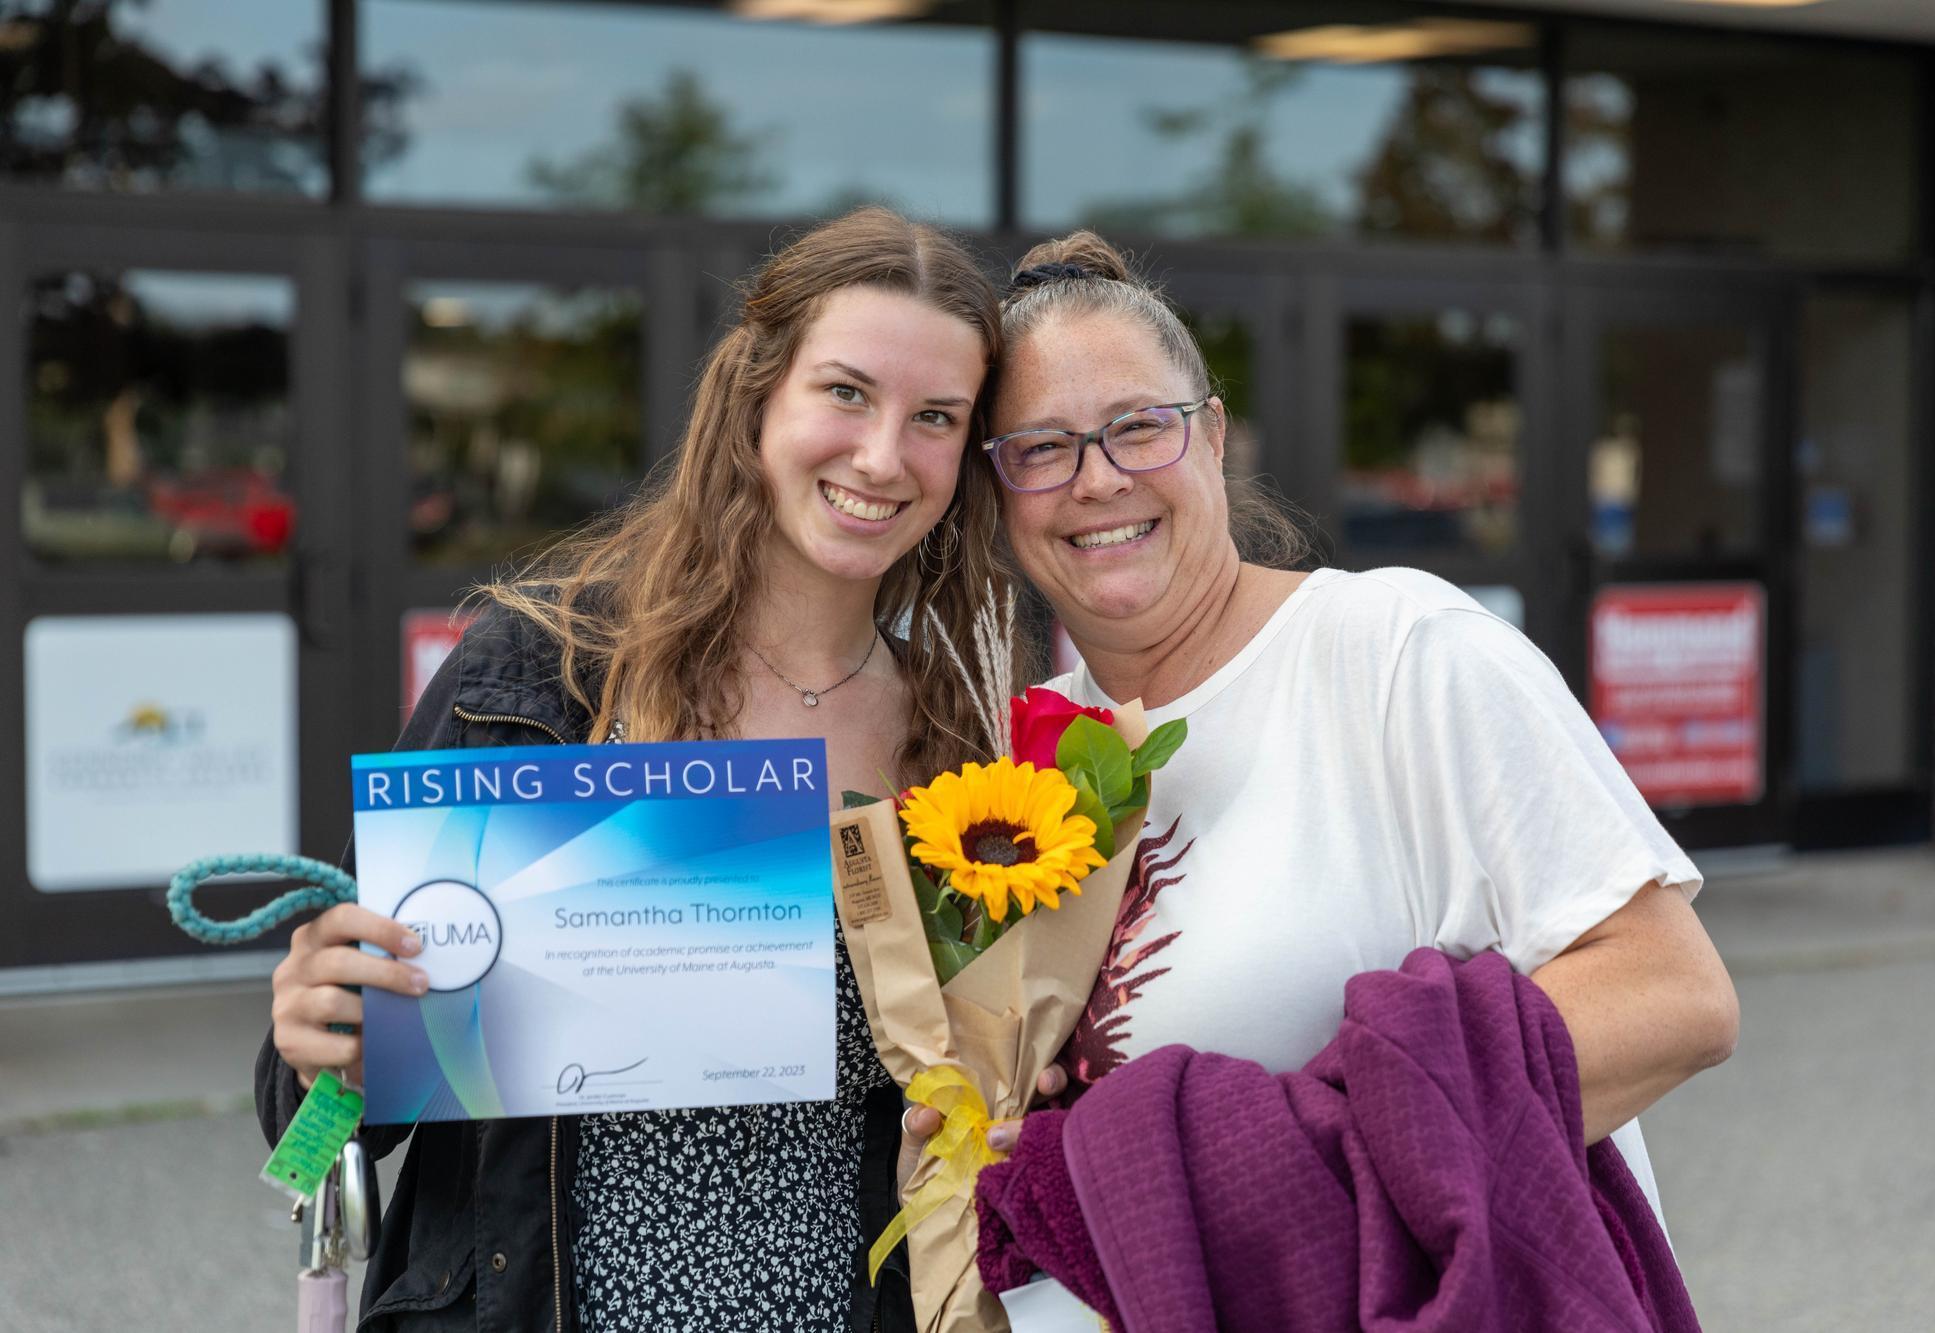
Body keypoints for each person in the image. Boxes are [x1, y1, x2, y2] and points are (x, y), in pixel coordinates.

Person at [255, 207, 1019, 1333]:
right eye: (846, 392)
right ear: (757, 397)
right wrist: (319, 1052)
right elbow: (314, 1132)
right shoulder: (533, 676)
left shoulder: (965, 743)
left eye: (935, 418)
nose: (880, 455)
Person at [974, 232, 1740, 1220]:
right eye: (1040, 448)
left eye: (1137, 426)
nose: (1096, 479)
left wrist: (1266, 1155)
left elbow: (1669, 997)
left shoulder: (1394, 652)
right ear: (993, 489)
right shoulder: (1037, 746)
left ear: (1211, 438)